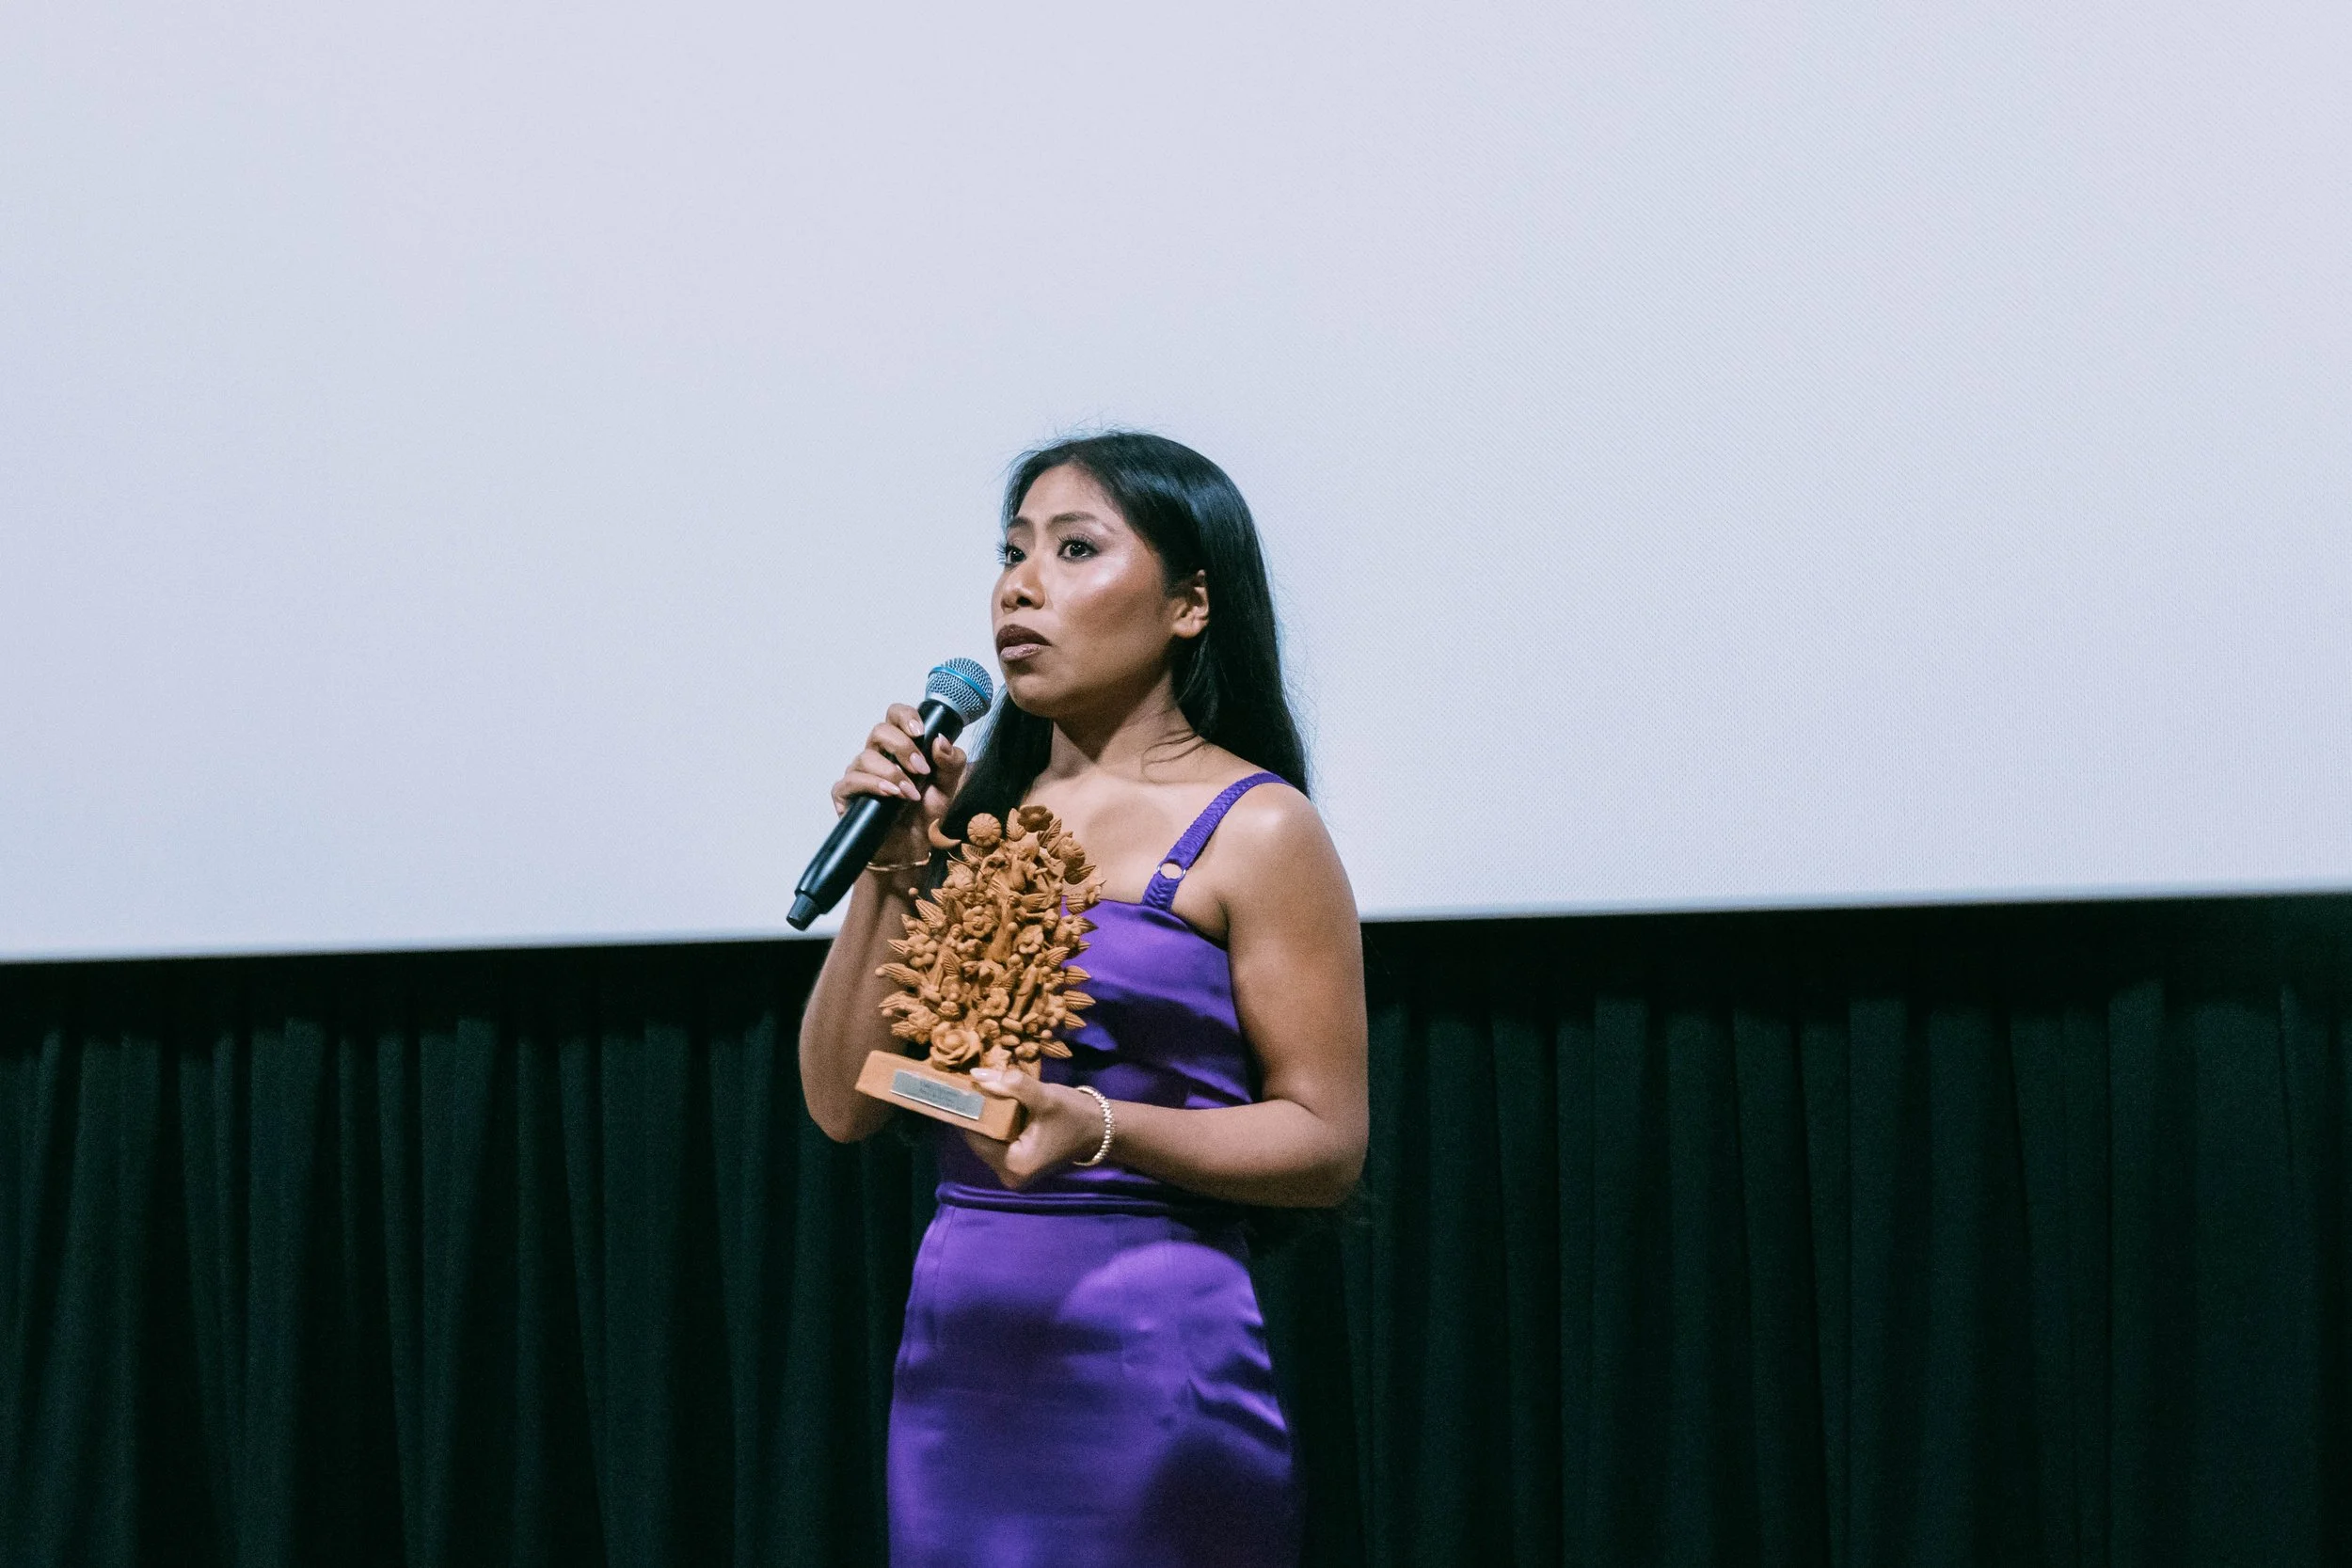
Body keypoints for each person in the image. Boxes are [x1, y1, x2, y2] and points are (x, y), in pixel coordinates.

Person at [797, 431, 1369, 1567]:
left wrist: (1096, 1128)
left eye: (1073, 549)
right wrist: (894, 865)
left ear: (1188, 604)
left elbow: (1326, 1138)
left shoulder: (1256, 827)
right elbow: (842, 1102)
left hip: (1147, 1351)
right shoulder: (971, 821)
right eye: (1011, 554)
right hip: (963, 1353)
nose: (1020, 585)